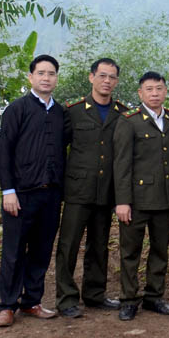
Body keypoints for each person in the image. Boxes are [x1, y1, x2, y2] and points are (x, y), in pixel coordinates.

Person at [0, 54, 65, 327]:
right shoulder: (17, 109)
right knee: (13, 251)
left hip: (51, 194)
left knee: (41, 249)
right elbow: (5, 152)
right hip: (21, 194)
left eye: (51, 73)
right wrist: (8, 191)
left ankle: (32, 301)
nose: (46, 78)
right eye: (41, 73)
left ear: (56, 78)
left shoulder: (60, 112)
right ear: (31, 77)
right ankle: (7, 305)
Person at [55, 58, 126, 318]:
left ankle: (95, 294)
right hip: (77, 190)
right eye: (102, 75)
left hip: (106, 191)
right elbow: (59, 150)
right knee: (69, 245)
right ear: (91, 77)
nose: (107, 81)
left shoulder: (122, 112)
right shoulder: (73, 111)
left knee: (99, 245)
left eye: (112, 77)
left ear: (117, 81)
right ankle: (66, 298)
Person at [113, 72, 169, 321]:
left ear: (165, 92)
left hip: (164, 198)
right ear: (140, 93)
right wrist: (122, 201)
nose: (154, 94)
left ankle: (154, 297)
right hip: (136, 200)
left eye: (159, 89)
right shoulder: (129, 121)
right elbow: (121, 165)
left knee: (160, 250)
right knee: (130, 252)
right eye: (149, 89)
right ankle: (129, 299)